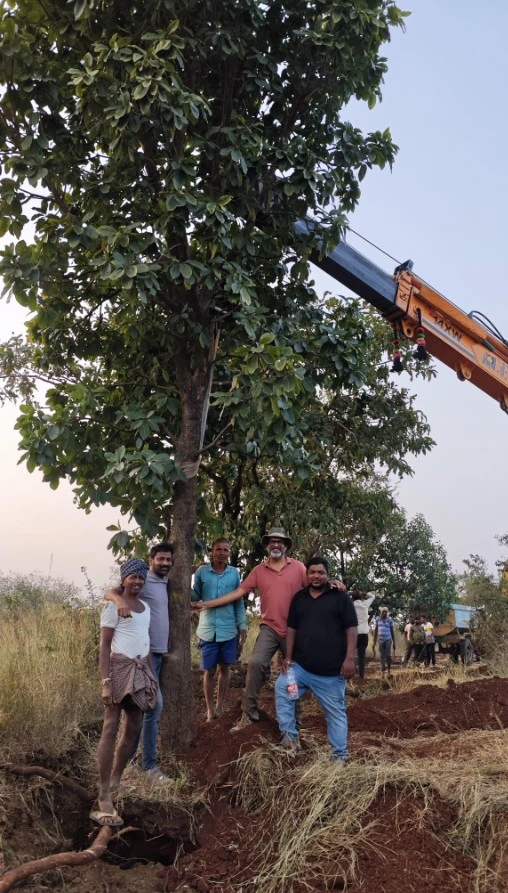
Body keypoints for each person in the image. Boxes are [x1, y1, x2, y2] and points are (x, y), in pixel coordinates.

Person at [91, 559, 158, 827]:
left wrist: (151, 677)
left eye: (141, 578)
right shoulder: (113, 606)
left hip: (141, 672)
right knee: (110, 727)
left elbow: (146, 642)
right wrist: (106, 681)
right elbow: (104, 646)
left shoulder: (146, 608)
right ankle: (104, 792)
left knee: (134, 728)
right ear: (124, 579)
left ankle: (117, 779)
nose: (137, 582)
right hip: (118, 669)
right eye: (132, 578)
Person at [274, 557, 358, 760]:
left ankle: (340, 756)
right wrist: (288, 656)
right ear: (307, 574)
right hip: (301, 669)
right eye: (312, 572)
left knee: (336, 713)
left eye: (320, 572)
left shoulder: (340, 598)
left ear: (327, 575)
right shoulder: (299, 598)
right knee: (283, 688)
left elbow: (351, 629)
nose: (316, 576)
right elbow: (292, 628)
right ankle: (290, 739)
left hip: (330, 674)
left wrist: (349, 658)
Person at [105, 542, 173, 781]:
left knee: (142, 711)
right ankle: (149, 766)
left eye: (168, 560)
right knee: (152, 707)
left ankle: (131, 762)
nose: (165, 563)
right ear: (151, 559)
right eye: (161, 559)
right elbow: (112, 591)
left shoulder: (165, 581)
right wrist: (118, 600)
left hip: (156, 654)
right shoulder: (141, 581)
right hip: (139, 658)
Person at [191, 538, 247, 721]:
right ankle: (210, 710)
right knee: (209, 671)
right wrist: (187, 574)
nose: (222, 553)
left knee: (225, 669)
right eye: (218, 549)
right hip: (207, 630)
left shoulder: (234, 574)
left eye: (225, 550)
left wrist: (242, 625)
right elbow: (195, 596)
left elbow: (238, 601)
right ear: (212, 551)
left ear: (229, 553)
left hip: (228, 629)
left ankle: (220, 706)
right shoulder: (201, 572)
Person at [350, 590, 375, 679]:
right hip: (364, 634)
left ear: (352, 597)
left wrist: (349, 593)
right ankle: (361, 676)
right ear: (361, 597)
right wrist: (363, 593)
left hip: (353, 634)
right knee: (361, 656)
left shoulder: (350, 605)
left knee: (350, 655)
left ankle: (351, 674)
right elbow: (372, 596)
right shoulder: (365, 604)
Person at [373, 606, 396, 677]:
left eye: (386, 612)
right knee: (382, 656)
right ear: (381, 612)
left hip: (388, 639)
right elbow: (376, 630)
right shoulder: (377, 619)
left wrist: (394, 642)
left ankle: (389, 670)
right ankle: (383, 671)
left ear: (387, 613)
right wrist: (374, 641)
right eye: (383, 611)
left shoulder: (390, 620)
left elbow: (392, 631)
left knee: (388, 656)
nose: (384, 613)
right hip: (380, 640)